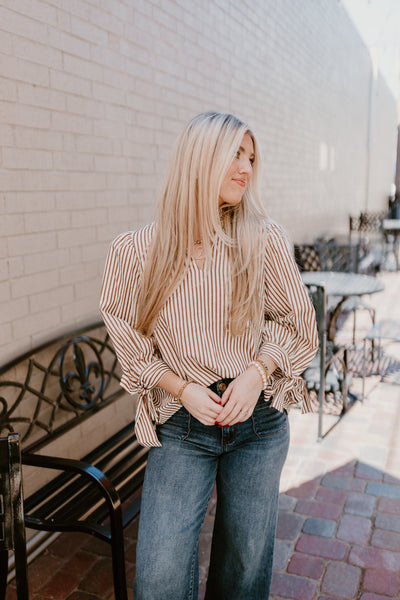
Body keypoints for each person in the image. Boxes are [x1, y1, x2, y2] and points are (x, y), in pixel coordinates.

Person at [100, 111, 318, 600]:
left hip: (258, 424)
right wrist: (180, 387)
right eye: (234, 155)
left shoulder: (264, 239)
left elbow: (298, 324)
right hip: (182, 423)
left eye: (251, 157)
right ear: (199, 160)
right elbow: (128, 335)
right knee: (158, 578)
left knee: (243, 573)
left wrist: (257, 374)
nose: (246, 168)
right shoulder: (138, 251)